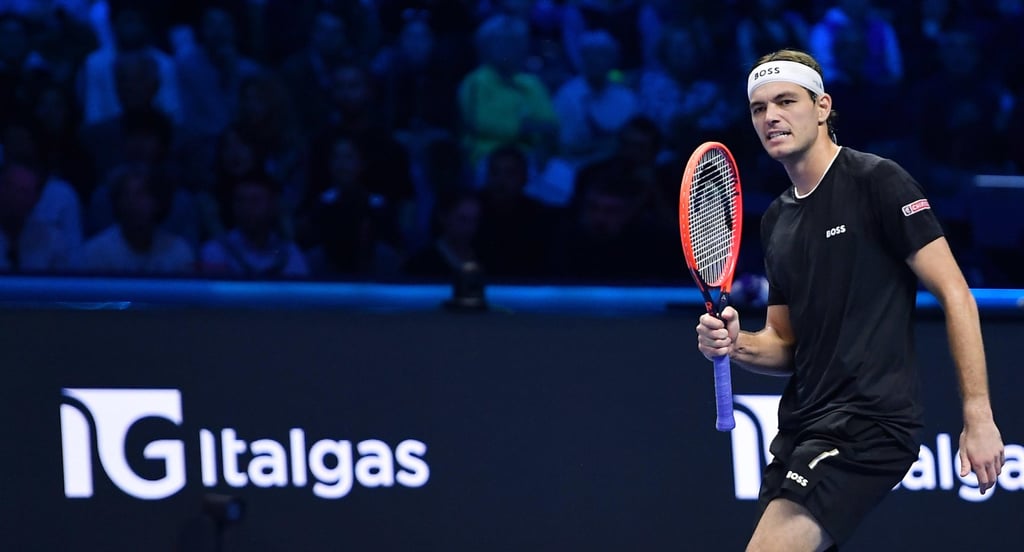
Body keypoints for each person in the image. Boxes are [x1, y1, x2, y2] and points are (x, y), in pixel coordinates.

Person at [695, 49, 1005, 551]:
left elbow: (957, 295)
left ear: (822, 107)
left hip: (868, 424)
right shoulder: (776, 219)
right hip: (802, 427)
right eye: (758, 108)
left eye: (786, 101)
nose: (771, 116)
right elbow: (784, 345)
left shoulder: (878, 181)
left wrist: (979, 416)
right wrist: (736, 344)